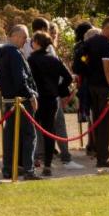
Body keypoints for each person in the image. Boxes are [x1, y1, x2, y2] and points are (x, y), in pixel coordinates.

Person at [28, 27, 77, 177]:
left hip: (37, 98)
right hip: (51, 98)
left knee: (33, 130)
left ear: (36, 42)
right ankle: (48, 164)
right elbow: (68, 77)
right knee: (50, 131)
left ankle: (34, 160)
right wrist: (59, 89)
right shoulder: (54, 59)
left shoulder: (31, 59)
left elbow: (29, 79)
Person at [0, 24, 39, 180]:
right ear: (13, 36)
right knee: (29, 135)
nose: (26, 40)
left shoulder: (2, 53)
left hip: (9, 100)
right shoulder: (14, 54)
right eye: (23, 36)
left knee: (10, 135)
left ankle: (8, 167)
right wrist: (31, 95)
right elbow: (20, 79)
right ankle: (29, 169)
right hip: (21, 101)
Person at [77, 18, 109, 169]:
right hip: (103, 88)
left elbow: (83, 60)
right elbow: (108, 69)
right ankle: (103, 157)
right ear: (106, 28)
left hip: (91, 86)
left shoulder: (90, 42)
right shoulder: (105, 44)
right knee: (105, 123)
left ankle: (101, 155)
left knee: (97, 121)